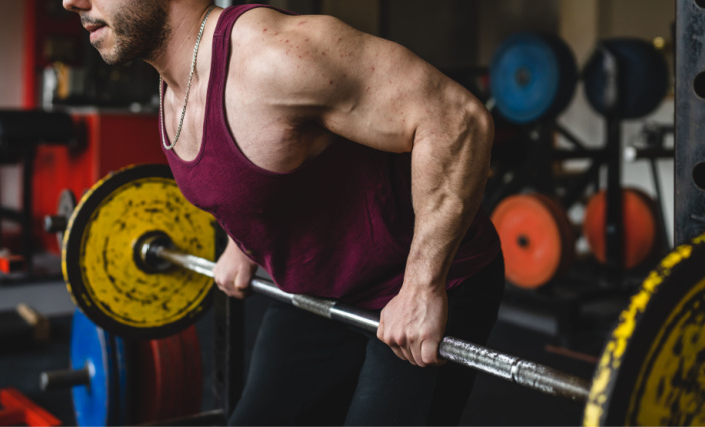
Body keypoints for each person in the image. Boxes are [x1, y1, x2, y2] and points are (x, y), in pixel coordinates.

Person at [62, 0, 504, 424]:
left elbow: (457, 120)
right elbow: (250, 167)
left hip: (419, 284)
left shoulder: (275, 57)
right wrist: (242, 243)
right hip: (316, 287)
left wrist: (422, 288)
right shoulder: (173, 82)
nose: (70, 1)